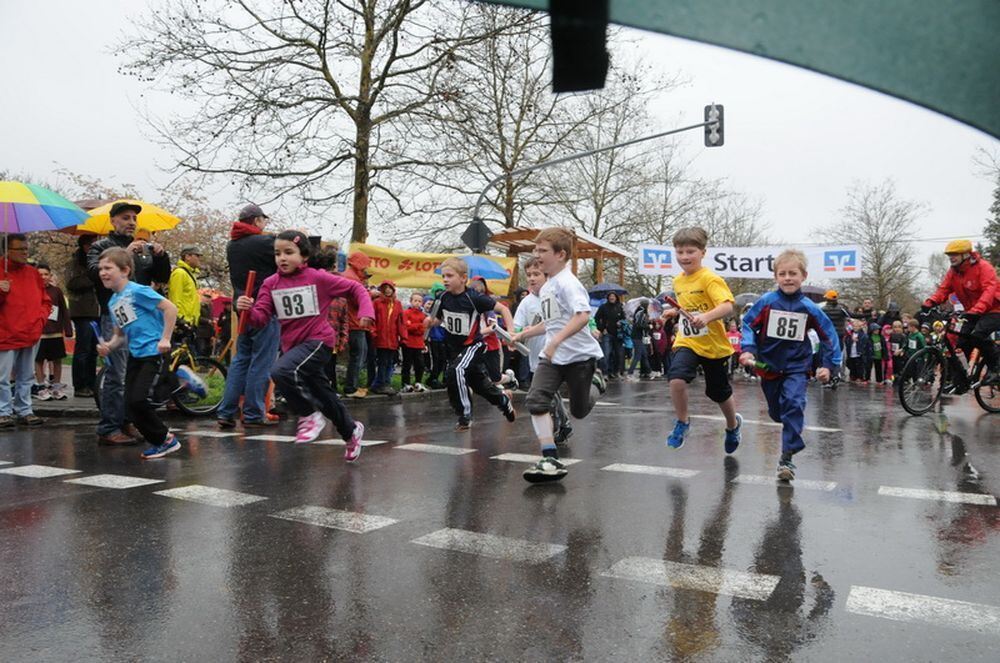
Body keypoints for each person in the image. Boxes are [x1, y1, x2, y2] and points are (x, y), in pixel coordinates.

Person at [236, 230, 374, 459]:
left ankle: (309, 415)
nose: (282, 258)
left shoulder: (318, 278)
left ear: (304, 256)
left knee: (280, 370)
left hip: (318, 340)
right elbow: (260, 318)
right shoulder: (271, 284)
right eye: (277, 253)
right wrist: (247, 309)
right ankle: (351, 432)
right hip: (294, 347)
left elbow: (355, 288)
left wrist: (366, 311)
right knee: (325, 396)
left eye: (289, 252)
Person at [510, 229, 606, 481]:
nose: (536, 255)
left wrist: (557, 341)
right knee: (536, 400)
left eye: (542, 251)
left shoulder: (567, 283)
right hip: (551, 357)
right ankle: (549, 458)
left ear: (560, 254)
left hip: (579, 357)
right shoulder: (548, 285)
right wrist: (525, 334)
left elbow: (583, 316)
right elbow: (552, 321)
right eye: (535, 250)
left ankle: (596, 383)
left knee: (579, 411)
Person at [739, 249, 840, 481]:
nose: (787, 278)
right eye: (782, 273)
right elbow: (748, 325)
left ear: (803, 276)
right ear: (775, 277)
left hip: (797, 366)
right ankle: (788, 430)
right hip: (768, 366)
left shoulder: (810, 308)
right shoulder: (766, 302)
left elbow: (829, 336)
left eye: (792, 273)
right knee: (778, 413)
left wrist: (828, 365)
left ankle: (787, 458)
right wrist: (747, 349)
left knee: (794, 404)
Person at [88, 201, 172, 444]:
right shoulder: (101, 247)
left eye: (134, 218)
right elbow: (95, 272)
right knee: (116, 374)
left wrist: (160, 257)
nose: (132, 222)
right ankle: (109, 427)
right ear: (113, 221)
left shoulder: (143, 249)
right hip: (114, 315)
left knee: (134, 376)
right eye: (125, 218)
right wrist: (123, 255)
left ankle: (128, 421)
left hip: (142, 322)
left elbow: (161, 278)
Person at [95, 247, 185, 459]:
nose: (102, 273)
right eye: (100, 269)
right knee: (129, 405)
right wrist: (108, 345)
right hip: (136, 354)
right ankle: (161, 439)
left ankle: (166, 438)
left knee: (137, 400)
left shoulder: (138, 291)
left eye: (108, 268)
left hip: (153, 351)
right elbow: (120, 335)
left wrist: (165, 338)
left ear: (125, 270)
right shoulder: (113, 301)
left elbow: (170, 308)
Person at [660, 227, 743, 452]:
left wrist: (706, 317)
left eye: (690, 252)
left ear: (703, 252)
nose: (684, 257)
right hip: (688, 340)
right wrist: (674, 312)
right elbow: (688, 307)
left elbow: (727, 306)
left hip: (714, 345)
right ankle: (682, 422)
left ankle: (732, 425)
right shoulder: (678, 281)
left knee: (718, 392)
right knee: (676, 379)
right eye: (680, 252)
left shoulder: (710, 279)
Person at [426, 257, 517, 431]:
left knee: (456, 371)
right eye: (443, 276)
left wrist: (510, 332)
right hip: (454, 348)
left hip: (473, 345)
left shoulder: (474, 298)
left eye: (450, 276)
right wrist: (430, 322)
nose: (445, 280)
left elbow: (503, 309)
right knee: (480, 385)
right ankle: (502, 400)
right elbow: (438, 320)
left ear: (463, 278)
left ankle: (464, 415)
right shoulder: (443, 297)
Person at [217, 204, 281, 429]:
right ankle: (254, 413)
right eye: (264, 220)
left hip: (241, 306)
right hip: (264, 308)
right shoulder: (263, 243)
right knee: (261, 361)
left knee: (240, 360)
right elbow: (291, 249)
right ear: (256, 221)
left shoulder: (232, 245)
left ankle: (226, 411)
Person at [922, 239, 1000, 387]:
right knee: (962, 340)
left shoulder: (984, 267)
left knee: (977, 334)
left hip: (994, 309)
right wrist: (931, 301)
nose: (951, 257)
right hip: (973, 311)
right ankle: (965, 379)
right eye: (950, 255)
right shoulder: (953, 272)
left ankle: (995, 367)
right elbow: (944, 289)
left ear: (966, 254)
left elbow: (989, 291)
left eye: (955, 254)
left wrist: (977, 310)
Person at [514, 256, 573, 445]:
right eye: (529, 275)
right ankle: (563, 424)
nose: (531, 278)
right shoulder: (526, 303)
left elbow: (557, 322)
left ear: (546, 275)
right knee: (550, 394)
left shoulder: (554, 295)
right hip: (535, 354)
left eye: (536, 274)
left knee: (544, 393)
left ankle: (557, 427)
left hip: (556, 353)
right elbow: (516, 327)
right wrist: (515, 336)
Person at [0, 234, 50, 428]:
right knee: (2, 377)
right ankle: (3, 411)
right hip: (6, 333)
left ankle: (24, 409)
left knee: (26, 375)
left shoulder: (33, 273)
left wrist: (41, 318)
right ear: (7, 251)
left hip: (30, 332)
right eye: (20, 249)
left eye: (26, 248)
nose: (24, 252)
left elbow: (45, 299)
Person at [66, 234, 101, 398]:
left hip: (97, 311)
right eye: (91, 245)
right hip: (82, 311)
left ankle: (92, 383)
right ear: (84, 246)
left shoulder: (97, 262)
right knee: (83, 349)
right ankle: (80, 385)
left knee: (94, 350)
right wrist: (93, 277)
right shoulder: (74, 263)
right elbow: (72, 283)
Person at [32, 264, 72, 401]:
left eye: (45, 274)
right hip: (39, 333)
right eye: (40, 274)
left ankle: (56, 386)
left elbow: (64, 310)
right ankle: (41, 386)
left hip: (55, 333)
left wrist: (68, 329)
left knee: (57, 359)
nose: (43, 277)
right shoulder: (32, 290)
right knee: (38, 360)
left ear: (50, 276)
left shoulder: (56, 291)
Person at [341, 251, 373, 398]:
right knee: (358, 355)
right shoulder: (351, 278)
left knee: (359, 355)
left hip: (355, 322)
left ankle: (352, 386)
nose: (366, 269)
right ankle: (350, 388)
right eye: (364, 265)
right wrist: (370, 294)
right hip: (354, 323)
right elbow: (356, 300)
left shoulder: (351, 276)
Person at [371, 280, 403, 395]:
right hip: (381, 338)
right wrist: (373, 333)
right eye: (385, 287)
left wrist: (403, 337)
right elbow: (372, 319)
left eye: (390, 288)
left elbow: (400, 321)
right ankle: (381, 384)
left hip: (393, 338)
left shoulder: (397, 304)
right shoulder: (377, 302)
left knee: (390, 362)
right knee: (383, 362)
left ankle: (383, 383)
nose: (388, 290)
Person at [167, 246, 203, 328]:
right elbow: (175, 297)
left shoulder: (191, 275)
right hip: (182, 322)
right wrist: (178, 319)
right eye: (197, 255)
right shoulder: (180, 273)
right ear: (187, 257)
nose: (199, 259)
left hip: (190, 323)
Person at [401, 292, 428, 392]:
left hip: (418, 343)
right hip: (408, 343)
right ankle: (405, 383)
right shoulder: (406, 313)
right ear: (411, 301)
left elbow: (423, 329)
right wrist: (418, 325)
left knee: (420, 364)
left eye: (419, 301)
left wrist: (414, 326)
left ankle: (418, 382)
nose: (417, 303)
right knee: (407, 364)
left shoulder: (423, 315)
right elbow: (406, 327)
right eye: (415, 301)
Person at [821, 290, 850, 383]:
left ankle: (827, 377)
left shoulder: (823, 309)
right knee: (838, 356)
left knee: (827, 355)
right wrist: (868, 314)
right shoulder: (841, 309)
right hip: (840, 335)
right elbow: (852, 315)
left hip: (827, 335)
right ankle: (836, 375)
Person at [595, 292, 625, 378]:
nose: (612, 298)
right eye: (610, 296)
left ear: (616, 297)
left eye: (613, 296)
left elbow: (624, 319)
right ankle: (604, 373)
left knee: (618, 354)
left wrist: (621, 323)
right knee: (606, 353)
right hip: (607, 333)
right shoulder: (603, 307)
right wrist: (601, 328)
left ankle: (615, 372)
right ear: (608, 298)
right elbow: (596, 318)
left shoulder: (620, 307)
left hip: (618, 334)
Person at [424, 284, 447, 389]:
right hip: (433, 339)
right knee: (435, 360)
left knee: (443, 360)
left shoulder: (445, 306)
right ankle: (432, 379)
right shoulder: (433, 308)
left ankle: (438, 378)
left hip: (443, 338)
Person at [627, 298, 652, 379]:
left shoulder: (641, 312)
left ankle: (648, 372)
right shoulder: (641, 312)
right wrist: (648, 326)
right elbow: (638, 325)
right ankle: (630, 373)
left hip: (639, 336)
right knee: (637, 356)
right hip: (637, 336)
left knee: (644, 354)